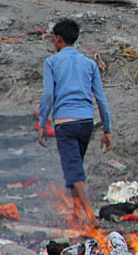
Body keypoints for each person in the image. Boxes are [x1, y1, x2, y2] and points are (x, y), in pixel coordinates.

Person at [38, 18, 113, 224]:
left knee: (74, 170)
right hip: (86, 123)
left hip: (64, 122)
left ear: (58, 39)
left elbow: (47, 96)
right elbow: (101, 99)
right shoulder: (89, 64)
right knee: (74, 166)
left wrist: (43, 122)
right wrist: (107, 129)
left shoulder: (51, 62)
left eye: (54, 39)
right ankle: (76, 213)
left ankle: (90, 215)